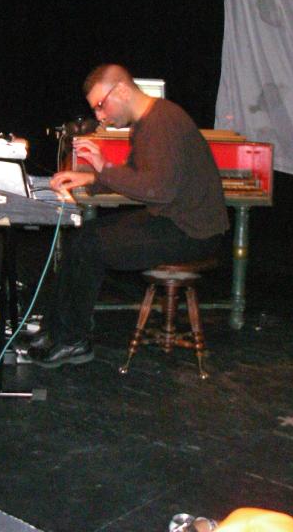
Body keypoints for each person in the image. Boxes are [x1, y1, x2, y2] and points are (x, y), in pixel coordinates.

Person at [28, 63, 229, 368]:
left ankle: (73, 341)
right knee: (82, 236)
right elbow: (139, 177)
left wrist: (102, 169)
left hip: (193, 232)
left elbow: (158, 190)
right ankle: (55, 329)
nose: (99, 115)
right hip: (174, 219)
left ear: (121, 90)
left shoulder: (162, 122)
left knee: (89, 246)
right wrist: (92, 178)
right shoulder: (146, 122)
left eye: (100, 104)